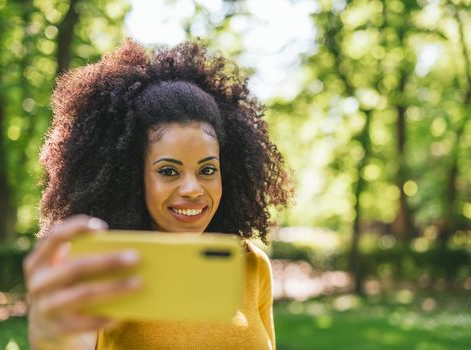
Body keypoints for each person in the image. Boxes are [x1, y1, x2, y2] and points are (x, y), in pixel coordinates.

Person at [23, 39, 291, 349]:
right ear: (133, 177)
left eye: (207, 170)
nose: (192, 189)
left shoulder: (251, 264)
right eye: (168, 171)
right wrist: (51, 335)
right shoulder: (103, 269)